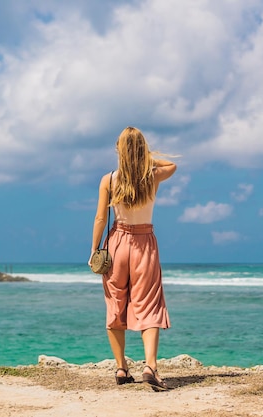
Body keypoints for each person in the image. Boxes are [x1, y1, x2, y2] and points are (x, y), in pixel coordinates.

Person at [89, 126, 176, 391]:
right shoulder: (153, 176)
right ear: (142, 150)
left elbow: (101, 218)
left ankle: (121, 368)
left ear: (119, 150)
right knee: (149, 303)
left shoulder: (109, 179)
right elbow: (172, 164)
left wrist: (94, 250)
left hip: (117, 243)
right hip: (144, 243)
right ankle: (150, 366)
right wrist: (143, 159)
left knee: (116, 303)